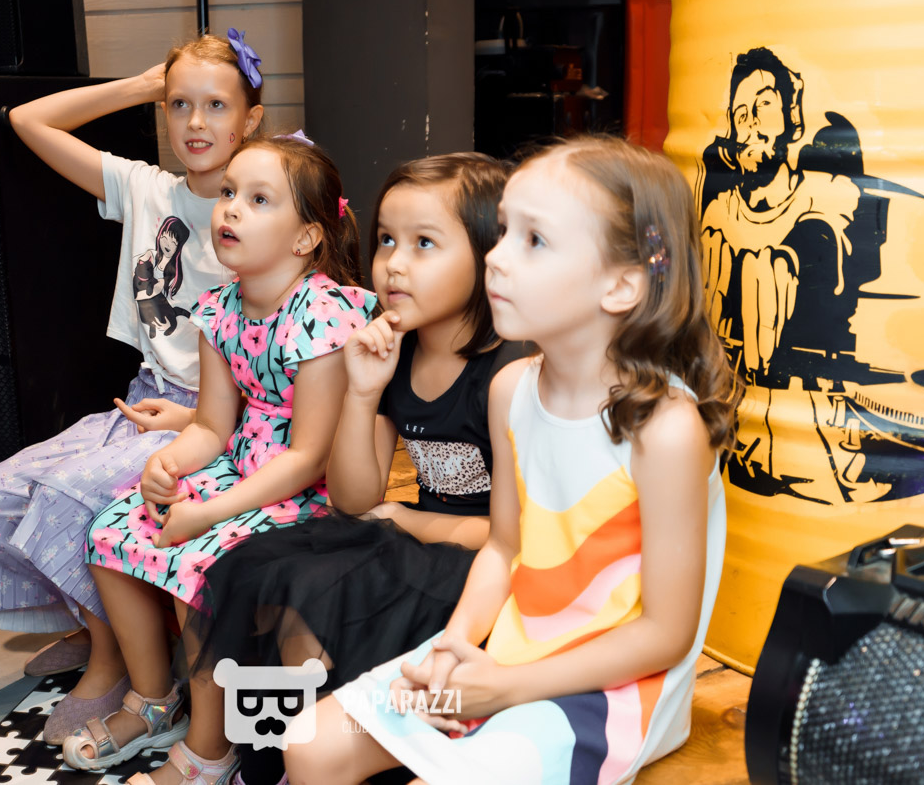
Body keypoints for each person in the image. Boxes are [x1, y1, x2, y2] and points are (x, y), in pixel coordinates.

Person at [286, 136, 742, 785]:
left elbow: (665, 633)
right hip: (507, 647)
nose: (496, 258)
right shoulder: (510, 390)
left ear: (621, 283)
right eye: (502, 233)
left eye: (534, 240)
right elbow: (504, 549)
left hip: (605, 689)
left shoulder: (666, 429)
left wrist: (503, 688)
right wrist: (456, 643)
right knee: (308, 742)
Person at [0, 30, 265, 742]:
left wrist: (191, 420)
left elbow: (271, 366)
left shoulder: (262, 208)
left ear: (252, 119)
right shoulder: (147, 189)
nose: (196, 122)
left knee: (67, 498)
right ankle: (102, 629)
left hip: (217, 422)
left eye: (216, 105)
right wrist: (143, 85)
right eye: (179, 104)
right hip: (142, 399)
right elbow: (29, 121)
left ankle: (118, 663)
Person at [189, 152, 523, 785]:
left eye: (424, 244)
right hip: (413, 535)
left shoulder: (510, 372)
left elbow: (519, 538)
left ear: (488, 258)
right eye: (387, 240)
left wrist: (408, 520)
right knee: (281, 578)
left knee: (324, 592)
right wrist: (364, 391)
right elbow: (352, 498)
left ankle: (330, 755)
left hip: (485, 563)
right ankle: (291, 758)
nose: (394, 263)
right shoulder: (395, 348)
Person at [60, 135, 377, 784]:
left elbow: (307, 455)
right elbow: (211, 424)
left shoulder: (322, 314)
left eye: (258, 199)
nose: (230, 207)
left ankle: (210, 749)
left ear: (306, 238)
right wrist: (170, 466)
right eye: (230, 192)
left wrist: (210, 512)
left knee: (195, 566)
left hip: (302, 491)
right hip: (239, 468)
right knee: (109, 531)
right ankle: (154, 697)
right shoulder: (220, 307)